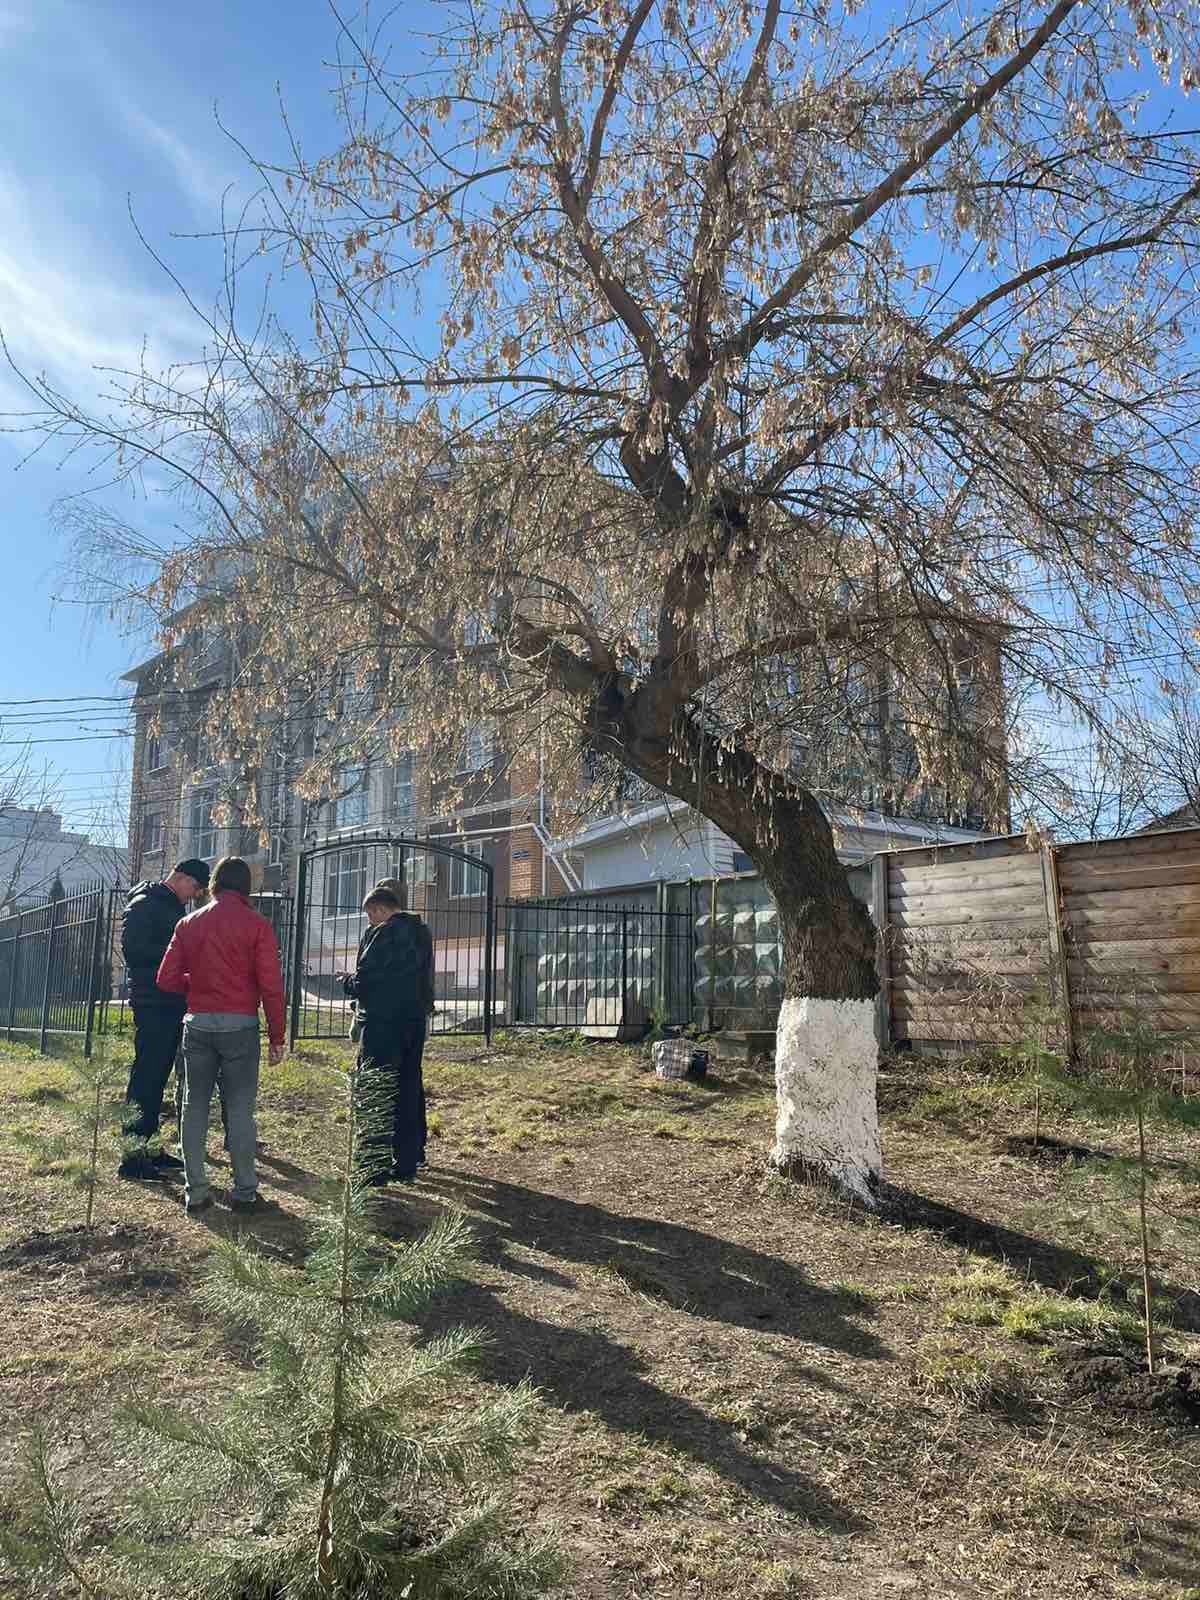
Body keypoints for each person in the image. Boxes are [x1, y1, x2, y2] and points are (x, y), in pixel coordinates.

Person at [156, 856, 286, 1216]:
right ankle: (245, 1193)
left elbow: (165, 979)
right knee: (241, 1110)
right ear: (246, 887)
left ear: (212, 884)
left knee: (193, 1107)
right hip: (241, 1026)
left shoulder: (187, 923)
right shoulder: (258, 925)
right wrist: (277, 1035)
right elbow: (271, 986)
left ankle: (195, 1192)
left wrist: (196, 982)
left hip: (197, 1025)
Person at [118, 858, 210, 1180]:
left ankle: (150, 1148)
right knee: (146, 1077)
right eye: (195, 888)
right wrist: (177, 955)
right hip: (152, 1001)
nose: (194, 895)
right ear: (182, 878)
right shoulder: (145, 904)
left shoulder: (168, 906)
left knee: (157, 1079)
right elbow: (133, 949)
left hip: (167, 1001)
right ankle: (132, 1157)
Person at [342, 886, 433, 1184]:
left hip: (382, 1024)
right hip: (414, 1022)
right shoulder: (421, 932)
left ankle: (373, 1166)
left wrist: (348, 984)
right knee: (407, 1089)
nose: (369, 920)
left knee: (376, 1090)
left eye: (370, 914)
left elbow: (367, 979)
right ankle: (407, 1161)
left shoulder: (385, 934)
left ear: (381, 909)